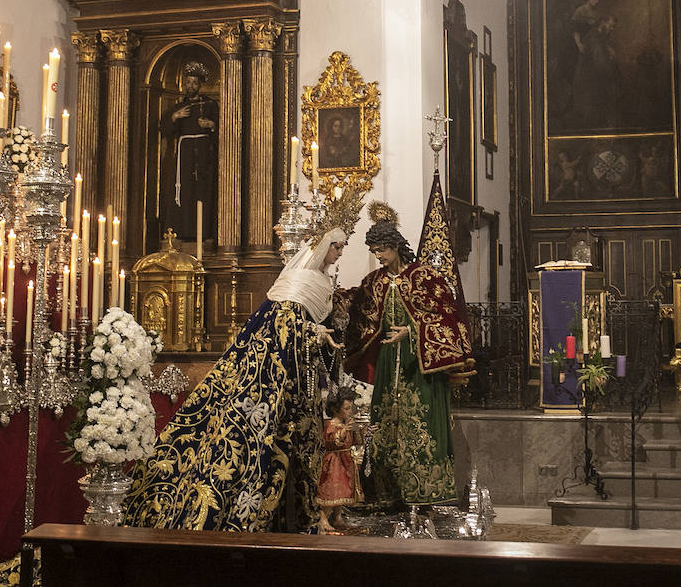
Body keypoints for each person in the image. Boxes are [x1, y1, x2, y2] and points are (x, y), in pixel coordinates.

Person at [121, 220, 354, 532]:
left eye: (342, 246)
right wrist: (314, 331)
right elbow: (283, 323)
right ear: (322, 246)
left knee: (301, 448)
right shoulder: (301, 279)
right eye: (336, 245)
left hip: (300, 378)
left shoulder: (322, 281)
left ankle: (304, 518)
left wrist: (324, 332)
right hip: (276, 381)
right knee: (270, 446)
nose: (340, 251)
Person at [341, 202, 474, 507]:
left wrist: (412, 332)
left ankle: (426, 493)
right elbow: (359, 314)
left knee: (421, 425)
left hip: (421, 366)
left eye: (382, 250)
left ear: (396, 247)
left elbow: (449, 320)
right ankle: (390, 493)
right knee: (387, 424)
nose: (378, 256)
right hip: (389, 363)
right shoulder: (374, 283)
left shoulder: (425, 278)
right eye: (374, 251)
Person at [159, 61, 218, 242]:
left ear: (200, 85)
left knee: (203, 189)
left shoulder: (209, 105)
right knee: (183, 190)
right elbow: (164, 128)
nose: (191, 85)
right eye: (188, 82)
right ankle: (182, 231)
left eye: (194, 82)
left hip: (203, 154)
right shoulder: (179, 106)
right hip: (184, 155)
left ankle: (204, 232)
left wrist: (211, 125)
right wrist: (175, 117)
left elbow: (225, 126)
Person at [317, 388, 363, 533]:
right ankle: (323, 518)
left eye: (351, 407)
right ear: (336, 409)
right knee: (333, 489)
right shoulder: (331, 424)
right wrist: (344, 430)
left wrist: (360, 431)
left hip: (346, 460)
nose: (350, 411)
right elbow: (330, 440)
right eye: (347, 408)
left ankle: (337, 517)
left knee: (344, 491)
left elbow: (355, 441)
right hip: (334, 462)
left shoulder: (346, 423)